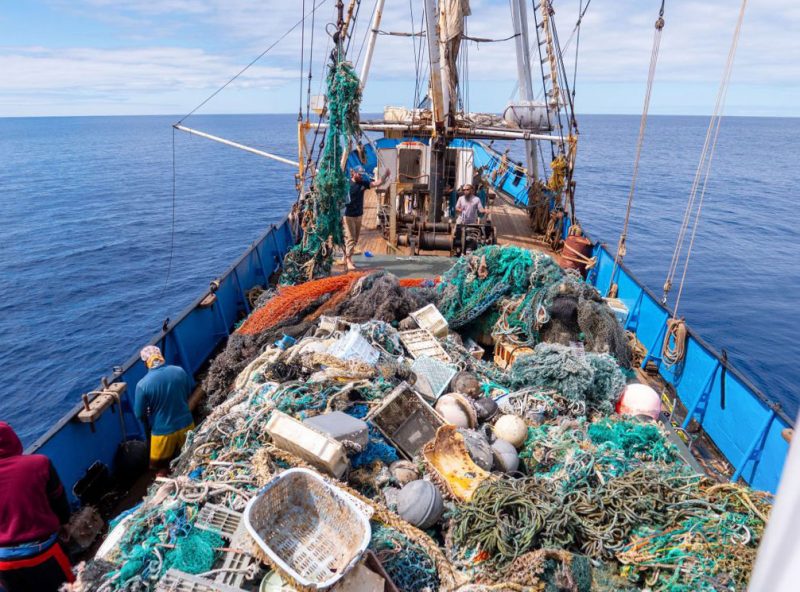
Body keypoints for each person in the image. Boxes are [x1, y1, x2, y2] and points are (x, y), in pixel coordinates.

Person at [0, 422, 73, 591]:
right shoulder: (39, 463)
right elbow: (58, 498)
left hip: (4, 563)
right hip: (43, 552)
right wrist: (64, 523)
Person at [134, 345, 194, 474]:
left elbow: (139, 414)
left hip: (163, 433)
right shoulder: (179, 371)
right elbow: (188, 391)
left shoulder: (142, 385)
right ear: (161, 356)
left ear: (146, 363)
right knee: (191, 459)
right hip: (187, 425)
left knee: (160, 469)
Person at [343, 166, 390, 271]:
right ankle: (348, 260)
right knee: (350, 238)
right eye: (359, 174)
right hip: (349, 215)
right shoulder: (347, 185)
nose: (360, 176)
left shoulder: (363, 184)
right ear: (353, 173)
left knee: (355, 238)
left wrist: (385, 176)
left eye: (361, 174)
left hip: (359, 215)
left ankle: (346, 256)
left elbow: (376, 183)